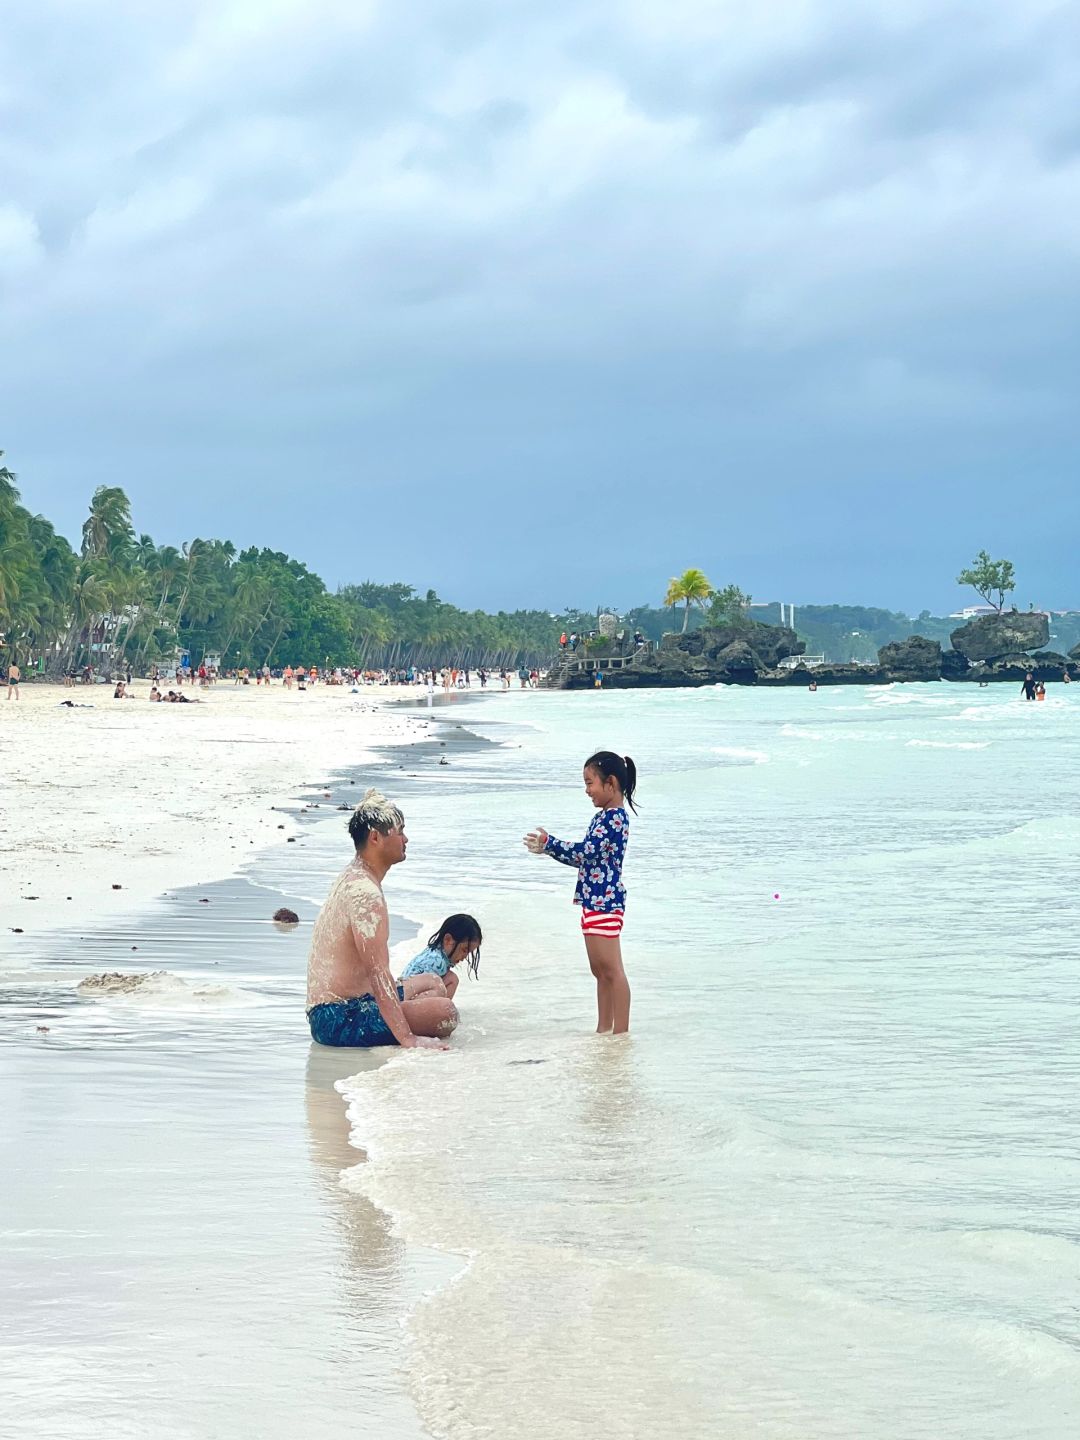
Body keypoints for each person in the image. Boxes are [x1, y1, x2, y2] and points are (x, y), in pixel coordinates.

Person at [306, 789, 458, 1049]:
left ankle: (399, 1013)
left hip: (353, 1002)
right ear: (376, 838)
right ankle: (401, 1019)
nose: (406, 839)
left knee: (433, 982)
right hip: (337, 1017)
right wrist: (408, 1038)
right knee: (446, 1013)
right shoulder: (365, 895)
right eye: (400, 832)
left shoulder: (355, 877)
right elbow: (378, 974)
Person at [524, 750, 636, 1035]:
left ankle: (620, 1034)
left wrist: (550, 843)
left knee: (612, 970)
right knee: (599, 971)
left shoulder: (614, 819)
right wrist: (548, 848)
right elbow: (582, 858)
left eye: (590, 783)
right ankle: (603, 1029)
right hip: (592, 900)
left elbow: (585, 853)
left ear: (610, 783)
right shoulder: (602, 817)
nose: (587, 791)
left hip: (606, 901)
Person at [399, 914, 483, 1001]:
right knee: (451, 980)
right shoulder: (437, 961)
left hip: (401, 993)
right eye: (464, 950)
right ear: (447, 940)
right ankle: (438, 1011)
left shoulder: (432, 951)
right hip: (405, 1000)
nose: (463, 958)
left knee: (450, 977)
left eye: (468, 953)